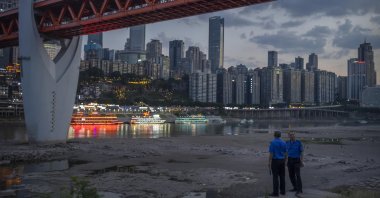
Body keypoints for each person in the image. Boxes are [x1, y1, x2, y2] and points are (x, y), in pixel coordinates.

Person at [268, 131, 287, 197]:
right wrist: (285, 160)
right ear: (280, 135)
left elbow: (271, 153)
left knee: (275, 177)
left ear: (274, 135)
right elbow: (285, 153)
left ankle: (276, 193)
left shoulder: (273, 142)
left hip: (275, 161)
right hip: (282, 160)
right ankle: (283, 191)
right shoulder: (284, 142)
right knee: (282, 176)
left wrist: (269, 162)